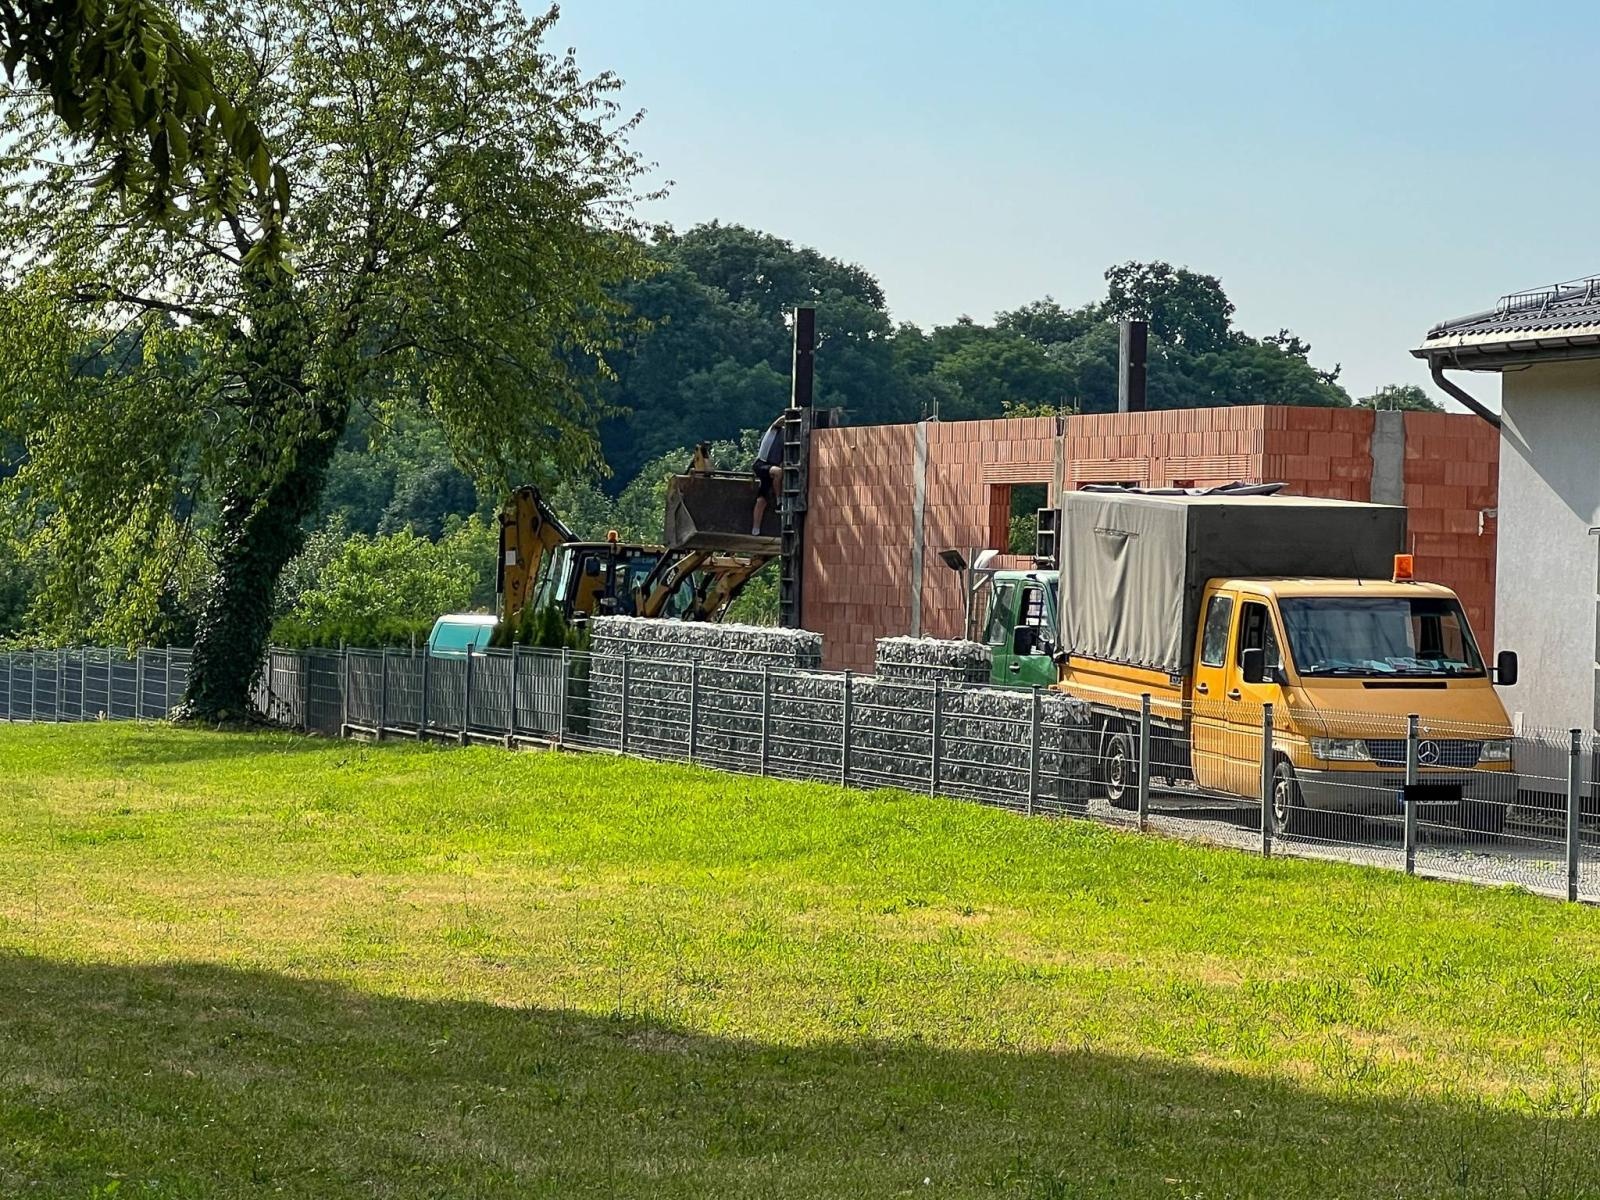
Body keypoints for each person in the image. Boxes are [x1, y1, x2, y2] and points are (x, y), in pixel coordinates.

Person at [751, 414, 785, 535]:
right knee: (778, 472)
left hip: (770, 468)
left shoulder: (787, 439)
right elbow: (779, 421)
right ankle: (779, 500)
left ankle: (755, 529)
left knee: (762, 500)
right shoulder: (774, 430)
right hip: (762, 464)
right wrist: (792, 415)